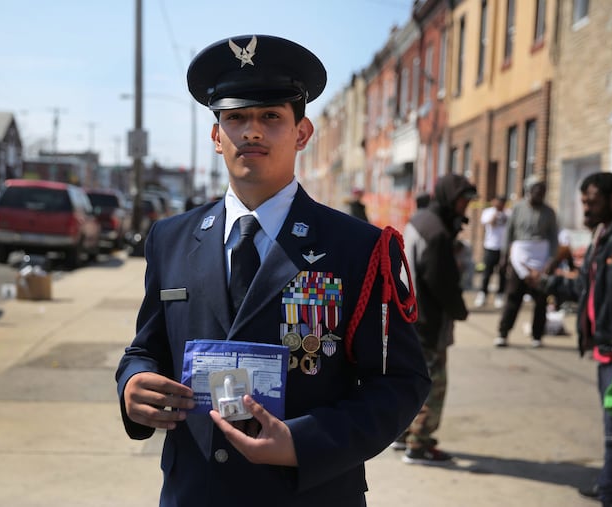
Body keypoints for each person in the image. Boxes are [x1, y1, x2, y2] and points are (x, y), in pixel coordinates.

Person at [114, 34, 430, 507]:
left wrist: (303, 442)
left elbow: (402, 382)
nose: (252, 131)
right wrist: (133, 384)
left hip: (305, 493)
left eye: (271, 117)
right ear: (217, 137)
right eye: (236, 117)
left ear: (302, 133)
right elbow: (147, 347)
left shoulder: (357, 247)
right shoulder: (171, 239)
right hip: (194, 491)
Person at [531, 172, 612, 506]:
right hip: (607, 350)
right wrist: (546, 284)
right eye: (584, 202)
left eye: (593, 201)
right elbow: (585, 289)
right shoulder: (602, 236)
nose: (586, 208)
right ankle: (610, 484)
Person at [398, 173, 476, 464]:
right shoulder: (437, 233)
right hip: (427, 323)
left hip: (407, 317)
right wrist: (460, 310)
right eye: (463, 201)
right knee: (433, 383)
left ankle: (403, 434)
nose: (465, 207)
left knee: (411, 379)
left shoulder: (420, 220)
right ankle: (419, 444)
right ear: (449, 197)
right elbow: (441, 282)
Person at [494, 176, 559, 348]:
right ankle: (503, 333)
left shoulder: (549, 212)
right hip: (520, 257)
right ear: (529, 190)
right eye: (536, 190)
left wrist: (551, 260)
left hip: (541, 257)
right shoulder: (518, 209)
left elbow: (553, 237)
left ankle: (537, 335)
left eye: (542, 191)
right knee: (513, 296)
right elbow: (509, 233)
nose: (540, 194)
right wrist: (504, 256)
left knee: (541, 299)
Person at [474, 195, 509, 309]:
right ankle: (483, 294)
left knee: (502, 273)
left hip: (503, 248)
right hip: (490, 246)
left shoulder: (509, 213)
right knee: (487, 272)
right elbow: (488, 223)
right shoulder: (489, 212)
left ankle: (500, 295)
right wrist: (496, 213)